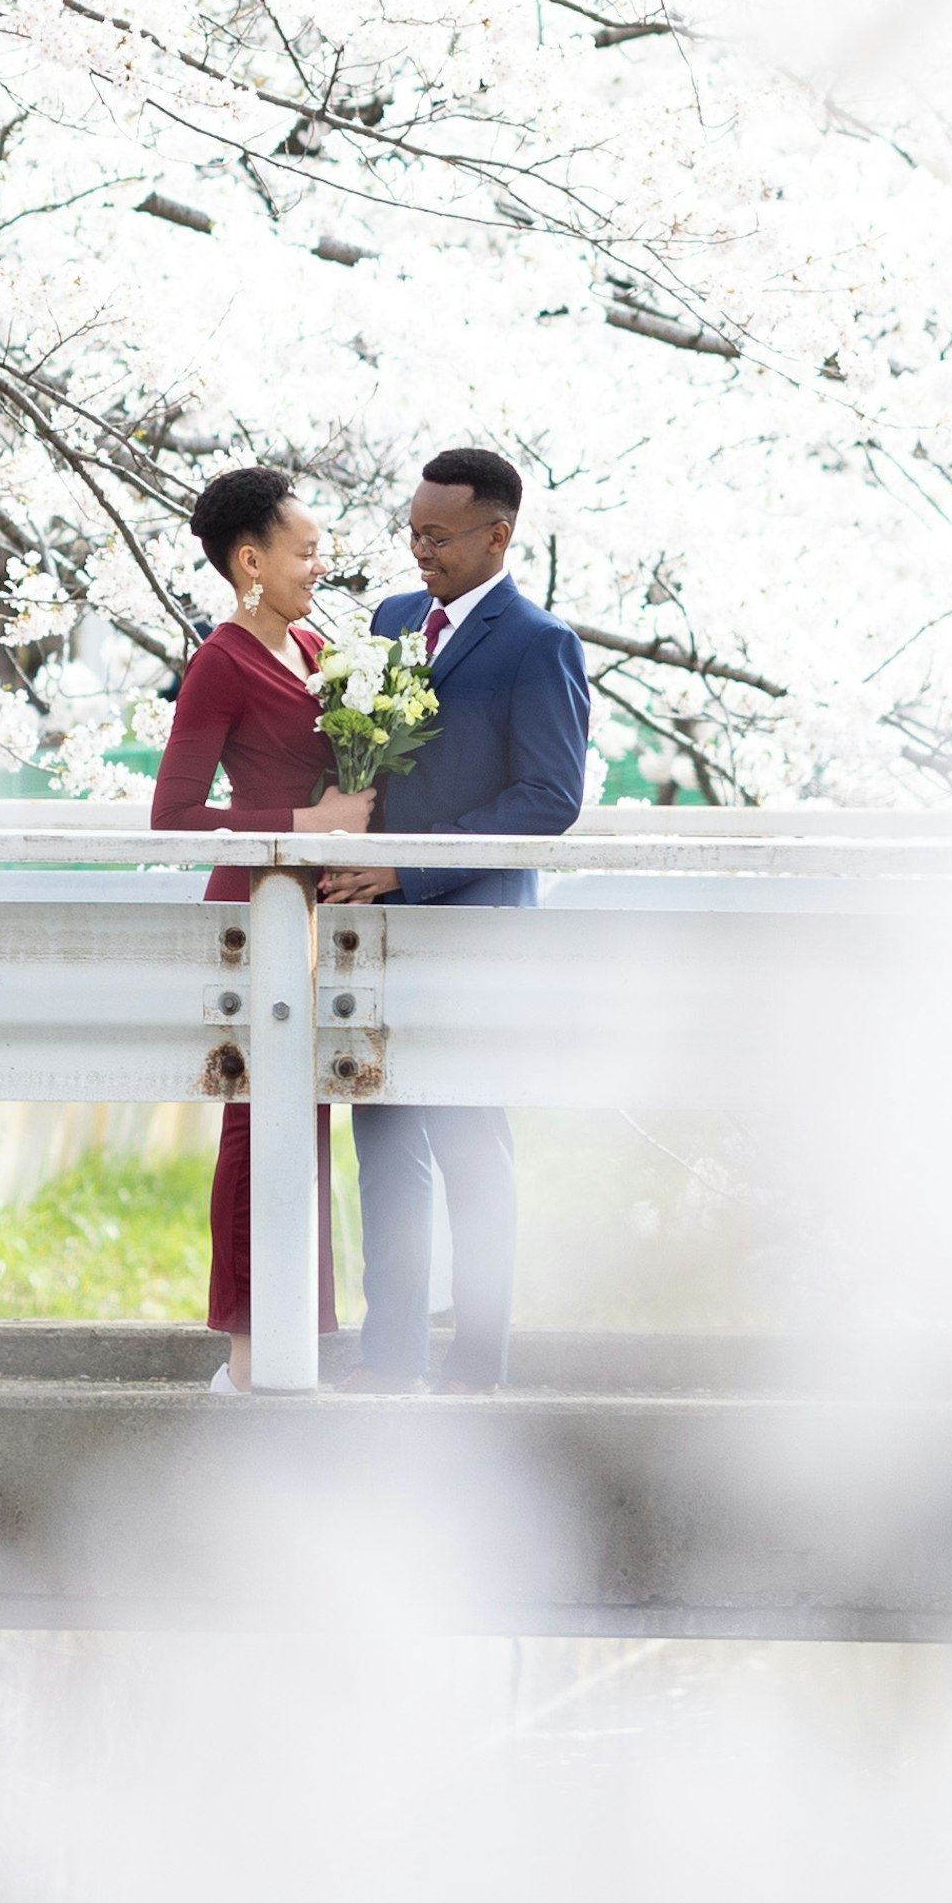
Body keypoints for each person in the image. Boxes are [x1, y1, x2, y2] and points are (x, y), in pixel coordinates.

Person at [337, 443, 591, 1391]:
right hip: (378, 933)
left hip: (476, 934)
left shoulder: (540, 643)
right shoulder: (393, 620)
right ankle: (387, 1357)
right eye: (410, 532)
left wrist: (410, 867)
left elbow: (548, 798)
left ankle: (478, 1364)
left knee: (470, 1150)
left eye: (438, 536)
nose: (419, 552)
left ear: (499, 534)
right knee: (384, 1144)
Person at [149, 461, 376, 1378]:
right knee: (256, 1123)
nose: (319, 566)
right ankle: (248, 1356)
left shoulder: (315, 650)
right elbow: (174, 814)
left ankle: (295, 1337)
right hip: (254, 915)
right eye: (305, 551)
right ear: (251, 559)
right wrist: (305, 824)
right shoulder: (222, 661)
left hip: (322, 914)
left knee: (309, 1120)